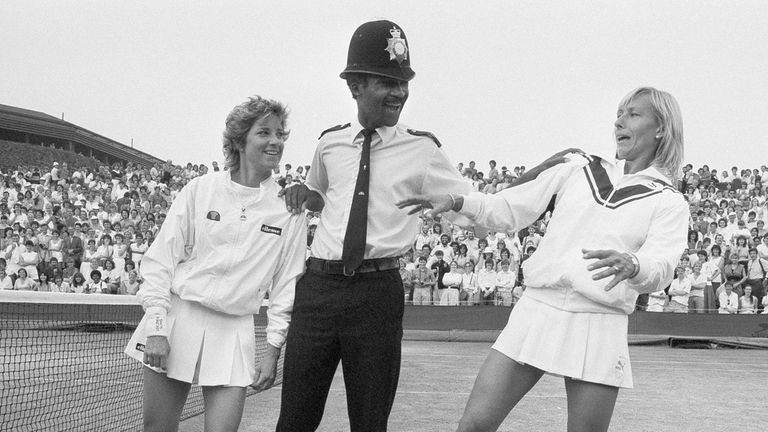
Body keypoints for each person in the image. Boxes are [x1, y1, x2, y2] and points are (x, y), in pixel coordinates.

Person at [397, 86, 687, 431]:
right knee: (474, 425)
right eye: (619, 113)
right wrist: (460, 202)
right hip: (537, 309)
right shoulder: (579, 168)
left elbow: (662, 267)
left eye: (633, 114)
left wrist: (635, 265)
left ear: (661, 128)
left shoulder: (669, 201)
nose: (619, 121)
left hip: (599, 320)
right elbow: (510, 208)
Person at [276, 20, 472, 431]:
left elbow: (474, 204)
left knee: (369, 422)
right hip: (318, 289)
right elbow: (321, 193)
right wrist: (302, 194)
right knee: (294, 419)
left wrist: (537, 182)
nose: (399, 92)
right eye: (386, 81)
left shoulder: (423, 149)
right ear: (355, 86)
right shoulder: (329, 143)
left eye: (403, 82)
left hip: (376, 294)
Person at [123, 96, 306, 432]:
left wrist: (273, 349)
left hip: (235, 331)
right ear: (239, 141)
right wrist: (158, 328)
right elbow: (160, 261)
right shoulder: (199, 189)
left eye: (280, 134)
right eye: (264, 132)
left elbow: (285, 287)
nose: (276, 141)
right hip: (177, 322)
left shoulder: (289, 209)